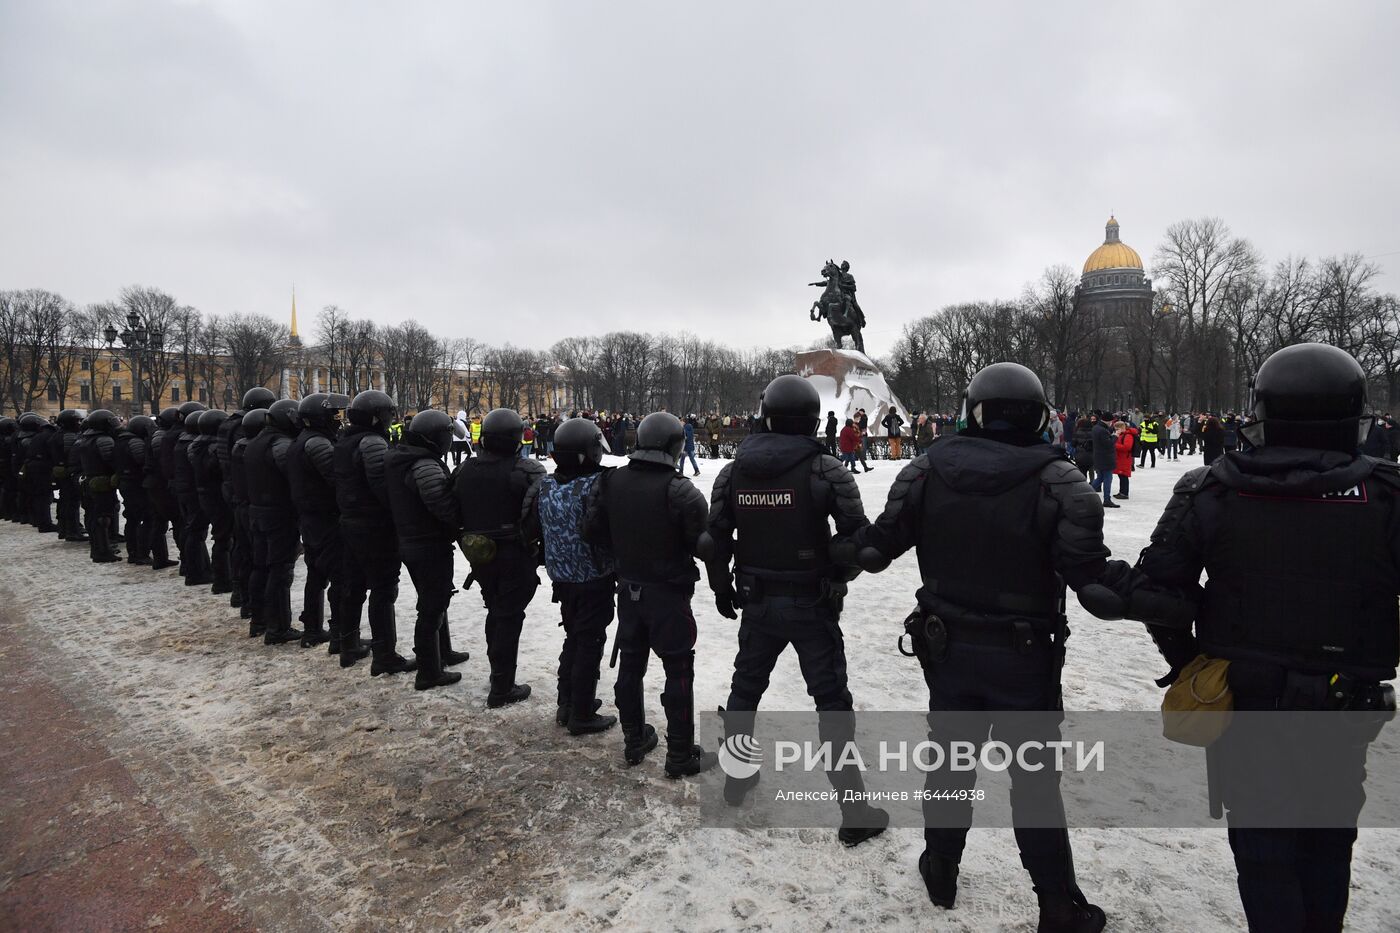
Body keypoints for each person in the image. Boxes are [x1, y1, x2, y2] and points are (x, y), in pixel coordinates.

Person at [846, 361, 1126, 931]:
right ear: (1039, 417)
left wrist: (806, 550)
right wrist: (1165, 595)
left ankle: (941, 867)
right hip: (1024, 655)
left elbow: (875, 549)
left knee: (950, 764)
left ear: (972, 412)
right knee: (1034, 779)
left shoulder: (927, 470)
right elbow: (1092, 582)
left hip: (947, 647)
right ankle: (1056, 903)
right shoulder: (1059, 480)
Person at [1131, 343, 1400, 933]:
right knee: (1328, 839)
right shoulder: (1385, 493)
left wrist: (1190, 660)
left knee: (1263, 846)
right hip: (1341, 701)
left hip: (1250, 693)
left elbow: (1159, 592)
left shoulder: (1211, 489)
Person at [700, 374, 887, 846]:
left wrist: (721, 587)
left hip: (758, 600)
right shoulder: (826, 469)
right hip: (810, 600)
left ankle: (737, 780)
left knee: (745, 690)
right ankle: (854, 809)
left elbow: (714, 540)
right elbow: (856, 540)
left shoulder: (733, 472)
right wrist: (837, 575)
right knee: (831, 702)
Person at [584, 411, 717, 775]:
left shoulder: (610, 481)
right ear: (675, 447)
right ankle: (679, 753)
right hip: (668, 593)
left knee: (631, 663)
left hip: (630, 587)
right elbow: (703, 545)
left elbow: (592, 531)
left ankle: (634, 739)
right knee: (678, 669)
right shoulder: (680, 490)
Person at [521, 417, 619, 735]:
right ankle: (581, 713)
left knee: (574, 636)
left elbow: (530, 529)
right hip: (593, 576)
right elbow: (606, 531)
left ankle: (568, 702)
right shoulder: (598, 484)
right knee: (590, 641)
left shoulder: (546, 485)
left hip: (561, 577)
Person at [453, 408, 545, 707]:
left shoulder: (466, 470)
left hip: (480, 554)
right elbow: (539, 514)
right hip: (513, 554)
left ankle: (499, 677)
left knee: (496, 612)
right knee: (507, 617)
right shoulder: (525, 471)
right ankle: (502, 686)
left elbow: (451, 508)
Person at [385, 409, 466, 691]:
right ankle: (429, 671)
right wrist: (462, 516)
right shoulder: (424, 464)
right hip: (427, 543)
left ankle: (442, 652)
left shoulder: (405, 457)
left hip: (413, 540)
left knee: (436, 599)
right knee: (432, 606)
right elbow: (442, 505)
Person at [336, 390, 415, 674]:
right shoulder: (371, 442)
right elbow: (383, 485)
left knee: (353, 585)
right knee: (383, 588)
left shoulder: (345, 440)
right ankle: (385, 655)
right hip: (373, 525)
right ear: (375, 417)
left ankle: (348, 645)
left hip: (350, 521)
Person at [288, 393, 352, 650]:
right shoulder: (317, 443)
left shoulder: (303, 440)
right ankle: (340, 634)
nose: (338, 418)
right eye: (333, 414)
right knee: (339, 576)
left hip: (312, 518)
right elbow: (337, 478)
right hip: (326, 519)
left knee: (316, 575)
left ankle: (313, 629)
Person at [245, 399, 304, 645]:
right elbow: (294, 475)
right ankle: (278, 627)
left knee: (261, 568)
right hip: (279, 514)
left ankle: (259, 620)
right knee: (280, 571)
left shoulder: (256, 442)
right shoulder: (280, 444)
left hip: (259, 511)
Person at [231, 409, 267, 635]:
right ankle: (262, 617)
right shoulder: (260, 448)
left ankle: (247, 603)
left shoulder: (240, 446)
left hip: (244, 505)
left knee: (248, 558)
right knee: (264, 565)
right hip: (261, 509)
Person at [191, 409, 234, 595]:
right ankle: (222, 580)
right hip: (216, 495)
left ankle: (221, 578)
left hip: (205, 494)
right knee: (223, 538)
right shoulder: (214, 448)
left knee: (220, 537)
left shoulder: (196, 445)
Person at [171, 403, 210, 584]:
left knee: (191, 530)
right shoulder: (193, 444)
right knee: (196, 532)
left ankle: (192, 568)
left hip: (183, 489)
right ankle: (196, 573)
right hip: (193, 490)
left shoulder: (181, 440)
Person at [77, 410, 122, 563]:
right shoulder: (103, 440)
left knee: (95, 516)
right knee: (103, 518)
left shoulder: (85, 439)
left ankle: (98, 549)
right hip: (102, 482)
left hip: (90, 481)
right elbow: (111, 460)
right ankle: (103, 551)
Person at [49, 410, 85, 542]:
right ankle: (72, 531)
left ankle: (64, 529)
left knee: (65, 501)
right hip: (69, 472)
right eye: (77, 421)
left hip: (62, 471)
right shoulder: (68, 436)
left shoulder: (57, 435)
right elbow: (72, 455)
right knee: (72, 502)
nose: (79, 423)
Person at [1090, 414, 1118, 508]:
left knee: (1100, 478)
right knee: (1107, 479)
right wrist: (1115, 436)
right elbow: (1109, 444)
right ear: (1108, 421)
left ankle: (1086, 492)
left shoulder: (1096, 428)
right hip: (1106, 458)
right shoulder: (1102, 430)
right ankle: (1107, 499)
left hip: (1099, 457)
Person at [1113, 420, 1137, 501]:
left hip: (1124, 458)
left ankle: (1124, 493)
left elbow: (1127, 447)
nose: (1116, 431)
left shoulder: (1128, 435)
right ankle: (1122, 492)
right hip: (1120, 458)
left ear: (1121, 428)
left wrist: (1115, 445)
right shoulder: (1122, 435)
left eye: (1117, 429)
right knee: (1121, 476)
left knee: (1124, 476)